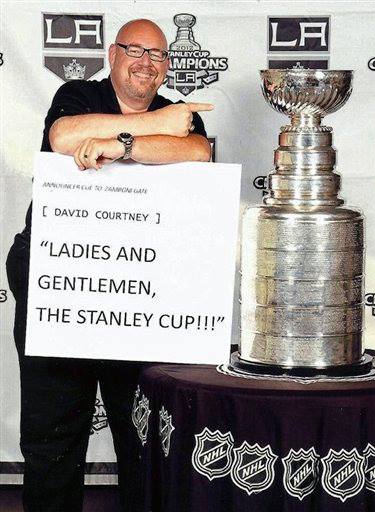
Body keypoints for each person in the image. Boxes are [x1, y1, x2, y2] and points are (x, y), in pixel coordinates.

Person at [6, 18, 212, 512]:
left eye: (158, 55)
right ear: (111, 53)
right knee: (53, 434)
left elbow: (198, 153)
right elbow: (63, 137)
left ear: (166, 67)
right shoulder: (79, 94)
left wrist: (120, 145)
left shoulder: (181, 116)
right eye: (134, 50)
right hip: (60, 284)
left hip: (139, 291)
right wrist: (153, 127)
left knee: (140, 434)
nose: (146, 63)